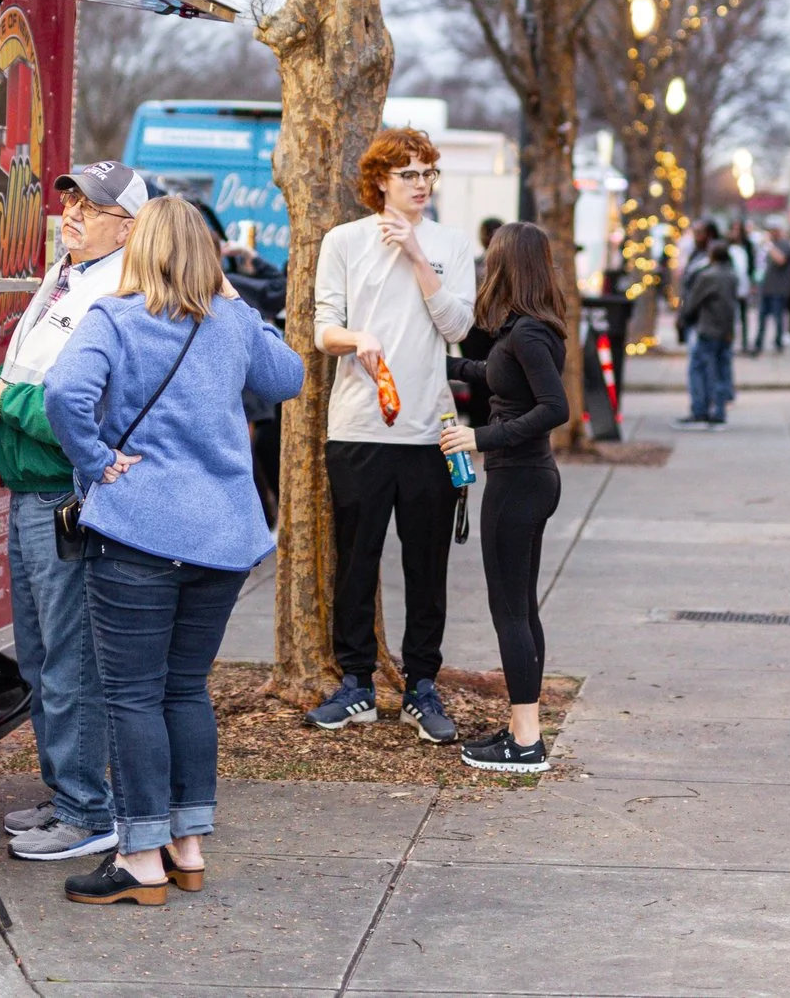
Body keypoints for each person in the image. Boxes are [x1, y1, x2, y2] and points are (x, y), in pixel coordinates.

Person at [44, 196, 307, 905]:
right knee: (184, 688)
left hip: (138, 532)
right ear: (208, 255)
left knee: (131, 693)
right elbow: (290, 377)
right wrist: (235, 302)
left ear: (139, 248)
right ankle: (187, 846)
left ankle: (140, 857)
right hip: (223, 537)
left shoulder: (116, 318)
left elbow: (64, 392)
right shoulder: (230, 325)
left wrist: (97, 461)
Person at [0, 159, 144, 863]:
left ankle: (87, 810)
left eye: (90, 207)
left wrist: (4, 401)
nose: (71, 213)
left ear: (126, 225)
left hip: (65, 494)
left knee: (67, 660)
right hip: (37, 489)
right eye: (70, 200)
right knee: (41, 658)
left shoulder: (118, 291)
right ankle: (70, 794)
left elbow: (93, 411)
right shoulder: (71, 274)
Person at [307, 128, 478, 742]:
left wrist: (414, 257)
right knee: (355, 559)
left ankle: (421, 686)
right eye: (408, 174)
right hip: (358, 426)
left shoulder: (450, 245)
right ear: (380, 181)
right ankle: (355, 683)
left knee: (427, 564)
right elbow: (324, 330)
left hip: (429, 431)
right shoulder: (344, 242)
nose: (421, 184)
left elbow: (459, 325)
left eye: (428, 173)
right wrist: (359, 339)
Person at [440, 223, 571, 773]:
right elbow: (495, 377)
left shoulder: (529, 334)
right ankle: (525, 729)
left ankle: (524, 743)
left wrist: (480, 437)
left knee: (511, 612)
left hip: (520, 481)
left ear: (506, 266)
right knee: (520, 609)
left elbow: (554, 408)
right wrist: (435, 364)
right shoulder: (526, 329)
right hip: (526, 480)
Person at [673, 240, 739, 430]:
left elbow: (693, 303)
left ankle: (700, 411)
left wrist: (684, 318)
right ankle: (718, 412)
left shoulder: (708, 276)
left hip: (708, 328)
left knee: (700, 370)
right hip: (724, 330)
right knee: (720, 371)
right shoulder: (731, 276)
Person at [750, 224, 790, 356]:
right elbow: (760, 265)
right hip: (765, 288)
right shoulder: (764, 246)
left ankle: (778, 344)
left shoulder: (785, 245)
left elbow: (780, 260)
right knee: (761, 319)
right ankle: (758, 344)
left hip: (778, 289)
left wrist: (769, 246)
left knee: (778, 319)